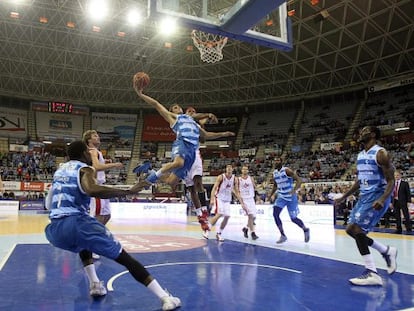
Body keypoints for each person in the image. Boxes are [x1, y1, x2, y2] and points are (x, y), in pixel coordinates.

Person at [44, 141, 181, 310]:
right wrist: (128, 192)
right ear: (84, 153)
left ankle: (95, 284)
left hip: (54, 231)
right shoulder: (85, 169)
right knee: (125, 259)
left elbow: (48, 204)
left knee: (83, 244)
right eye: (89, 152)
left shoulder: (59, 171)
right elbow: (91, 189)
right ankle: (166, 298)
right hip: (76, 223)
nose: (91, 154)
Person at [334, 126, 397, 286]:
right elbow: (359, 181)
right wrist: (344, 196)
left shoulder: (380, 153)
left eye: (365, 131)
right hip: (364, 197)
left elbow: (391, 180)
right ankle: (386, 251)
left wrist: (383, 199)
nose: (361, 132)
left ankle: (372, 272)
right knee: (350, 230)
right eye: (361, 130)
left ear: (373, 134)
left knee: (356, 229)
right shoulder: (361, 155)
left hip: (377, 196)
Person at [184, 106, 235, 239]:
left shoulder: (195, 125)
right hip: (182, 156)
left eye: (194, 112)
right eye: (189, 112)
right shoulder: (180, 121)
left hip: (194, 155)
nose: (192, 113)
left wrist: (222, 132)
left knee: (197, 182)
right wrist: (207, 116)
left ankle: (205, 211)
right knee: (190, 189)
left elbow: (204, 137)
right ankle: (200, 214)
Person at [82, 130, 124, 259]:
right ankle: (91, 245)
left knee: (107, 216)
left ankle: (94, 238)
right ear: (89, 140)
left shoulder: (96, 151)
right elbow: (96, 166)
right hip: (96, 186)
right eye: (95, 136)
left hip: (101, 186)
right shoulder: (92, 150)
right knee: (99, 217)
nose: (98, 137)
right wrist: (114, 164)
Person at [268, 156, 310, 244]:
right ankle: (283, 235)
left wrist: (294, 190)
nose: (276, 161)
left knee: (293, 219)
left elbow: (299, 180)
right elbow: (275, 186)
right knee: (275, 214)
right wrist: (270, 194)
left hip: (291, 197)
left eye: (278, 160)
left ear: (281, 162)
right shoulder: (274, 173)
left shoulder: (287, 170)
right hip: (281, 197)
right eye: (275, 160)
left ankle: (305, 229)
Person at [209, 164, 245, 242]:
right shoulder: (221, 177)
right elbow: (214, 188)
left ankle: (219, 233)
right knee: (220, 213)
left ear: (232, 169)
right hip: (219, 198)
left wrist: (241, 202)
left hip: (227, 200)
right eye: (227, 168)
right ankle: (207, 229)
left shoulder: (235, 179)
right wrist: (212, 199)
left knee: (227, 216)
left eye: (230, 168)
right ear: (226, 169)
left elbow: (236, 191)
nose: (229, 169)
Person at [238, 164, 259, 240]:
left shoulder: (251, 178)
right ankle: (253, 233)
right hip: (244, 200)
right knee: (250, 216)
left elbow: (255, 187)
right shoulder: (238, 179)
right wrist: (241, 202)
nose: (245, 170)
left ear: (248, 170)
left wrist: (258, 195)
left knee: (253, 217)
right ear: (241, 170)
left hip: (251, 199)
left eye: (246, 169)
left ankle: (245, 228)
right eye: (243, 169)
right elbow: (236, 190)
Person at [392, 169, 412, 233]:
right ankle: (399, 228)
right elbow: (390, 193)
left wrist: (409, 201)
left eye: (397, 175)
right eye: (395, 175)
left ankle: (408, 228)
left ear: (400, 175)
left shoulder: (405, 183)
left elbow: (408, 193)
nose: (396, 176)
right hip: (395, 201)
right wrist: (390, 202)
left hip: (403, 201)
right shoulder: (392, 184)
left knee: (406, 215)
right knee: (397, 216)